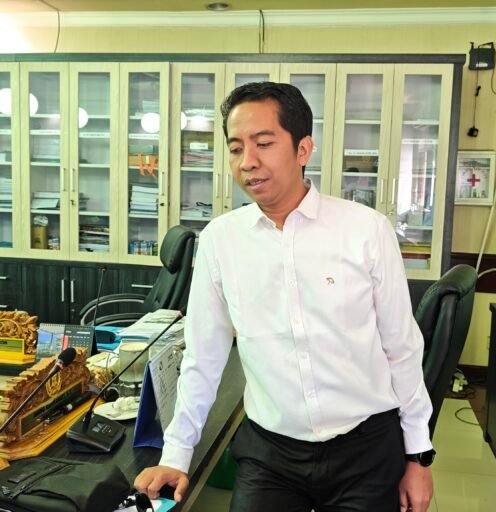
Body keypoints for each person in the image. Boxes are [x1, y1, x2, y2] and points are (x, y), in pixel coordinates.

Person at [134, 82, 435, 512]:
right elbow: (204, 355)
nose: (247, 162)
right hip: (271, 453)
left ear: (303, 149)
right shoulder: (221, 240)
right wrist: (176, 455)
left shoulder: (365, 230)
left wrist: (418, 456)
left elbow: (401, 348)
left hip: (366, 449)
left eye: (263, 143)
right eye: (235, 148)